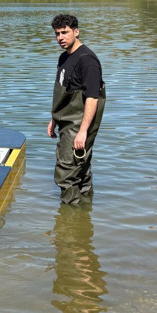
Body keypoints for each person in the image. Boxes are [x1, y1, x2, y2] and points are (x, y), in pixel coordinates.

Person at [47, 13, 106, 205]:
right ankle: (84, 217)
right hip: (66, 120)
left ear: (76, 31)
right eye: (57, 34)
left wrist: (82, 131)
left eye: (65, 32)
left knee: (66, 172)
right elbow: (62, 92)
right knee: (81, 169)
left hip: (79, 124)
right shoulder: (64, 58)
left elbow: (92, 98)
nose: (60, 38)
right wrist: (54, 118)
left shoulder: (87, 61)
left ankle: (69, 226)